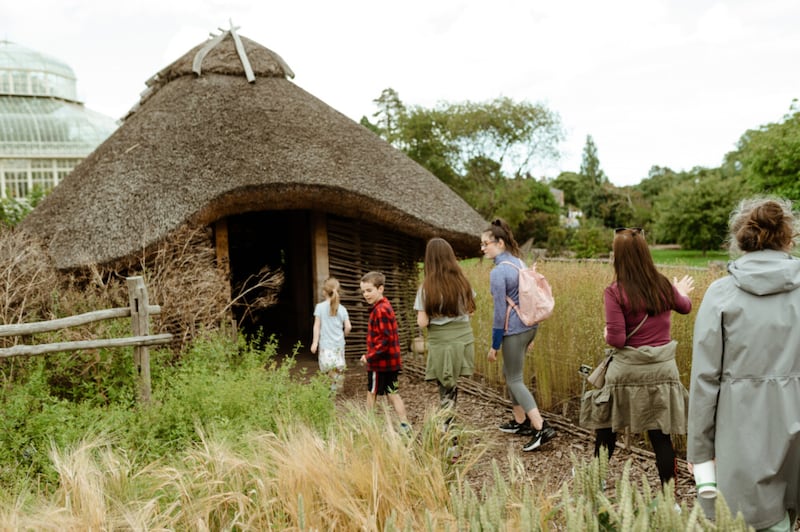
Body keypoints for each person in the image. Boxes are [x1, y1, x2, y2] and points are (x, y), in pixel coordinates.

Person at [688, 197, 800, 531]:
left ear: (740, 239)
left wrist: (699, 451)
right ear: (788, 237)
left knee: (746, 519)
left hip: (738, 432)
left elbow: (704, 380)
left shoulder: (721, 294)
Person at [580, 226, 694, 493]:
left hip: (627, 372)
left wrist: (607, 333)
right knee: (661, 436)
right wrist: (679, 290)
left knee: (606, 427)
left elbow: (618, 340)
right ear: (645, 253)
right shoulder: (662, 284)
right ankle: (669, 499)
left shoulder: (615, 292)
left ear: (617, 258)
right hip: (662, 371)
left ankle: (597, 484)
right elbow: (685, 307)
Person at [482, 218, 556, 452]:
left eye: (486, 244)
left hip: (514, 330)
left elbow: (499, 312)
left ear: (500, 243)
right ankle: (520, 421)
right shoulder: (519, 263)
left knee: (514, 379)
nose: (482, 248)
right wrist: (530, 337)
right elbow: (530, 299)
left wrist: (494, 345)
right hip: (529, 326)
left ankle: (541, 427)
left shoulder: (498, 272)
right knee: (509, 373)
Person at [414, 237, 476, 426]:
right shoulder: (463, 283)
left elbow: (422, 322)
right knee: (451, 383)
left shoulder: (426, 288)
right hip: (464, 340)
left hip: (441, 342)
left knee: (445, 385)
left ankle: (447, 429)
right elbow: (471, 311)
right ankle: (449, 425)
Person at [359, 271, 411, 432]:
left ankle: (368, 425)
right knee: (392, 393)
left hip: (380, 363)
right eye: (363, 291)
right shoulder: (384, 307)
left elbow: (384, 340)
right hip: (390, 362)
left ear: (380, 289)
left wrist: (369, 357)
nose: (365, 294)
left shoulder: (380, 310)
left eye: (369, 290)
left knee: (372, 392)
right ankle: (405, 426)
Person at [311, 277, 352, 392]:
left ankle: (334, 388)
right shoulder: (342, 309)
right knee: (338, 367)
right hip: (339, 344)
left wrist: (314, 343)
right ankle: (338, 388)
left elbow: (316, 326)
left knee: (328, 367)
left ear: (324, 292)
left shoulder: (320, 307)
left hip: (326, 344)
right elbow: (348, 326)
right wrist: (344, 335)